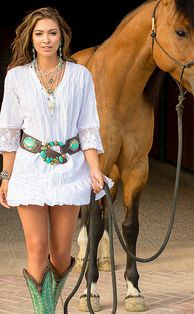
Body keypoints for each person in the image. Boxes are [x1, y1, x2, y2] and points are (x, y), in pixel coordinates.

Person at [0, 7, 113, 314]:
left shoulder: (80, 76)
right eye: (39, 34)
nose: (46, 40)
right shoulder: (16, 77)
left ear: (62, 37)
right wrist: (6, 176)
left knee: (61, 253)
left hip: (69, 170)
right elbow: (9, 131)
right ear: (30, 39)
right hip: (29, 169)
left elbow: (88, 127)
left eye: (51, 33)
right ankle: (45, 311)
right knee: (37, 249)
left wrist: (94, 169)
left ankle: (49, 304)